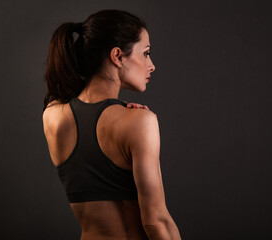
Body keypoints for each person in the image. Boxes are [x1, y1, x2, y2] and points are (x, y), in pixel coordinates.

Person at [42, 9, 181, 240]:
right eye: (146, 53)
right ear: (117, 56)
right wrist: (128, 118)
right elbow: (157, 222)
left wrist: (113, 108)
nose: (152, 65)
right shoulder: (139, 122)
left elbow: (87, 116)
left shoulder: (52, 115)